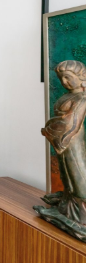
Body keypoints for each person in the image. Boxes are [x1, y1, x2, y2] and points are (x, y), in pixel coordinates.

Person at [37, 60, 86, 241]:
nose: (64, 81)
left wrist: (50, 130)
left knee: (77, 171)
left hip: (70, 140)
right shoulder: (68, 96)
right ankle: (67, 206)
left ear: (82, 77)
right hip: (61, 139)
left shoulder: (81, 99)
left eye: (68, 77)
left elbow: (71, 124)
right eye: (61, 78)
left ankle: (82, 213)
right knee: (65, 172)